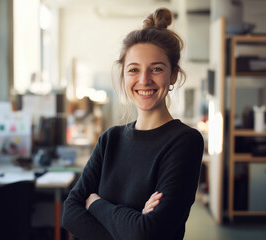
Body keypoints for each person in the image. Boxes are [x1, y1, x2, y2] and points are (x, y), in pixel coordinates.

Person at [62, 7, 204, 240]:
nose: (144, 80)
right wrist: (132, 224)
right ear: (124, 76)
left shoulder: (184, 141)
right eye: (134, 70)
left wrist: (96, 204)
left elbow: (148, 234)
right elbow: (70, 214)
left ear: (174, 75)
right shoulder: (110, 139)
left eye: (156, 69)